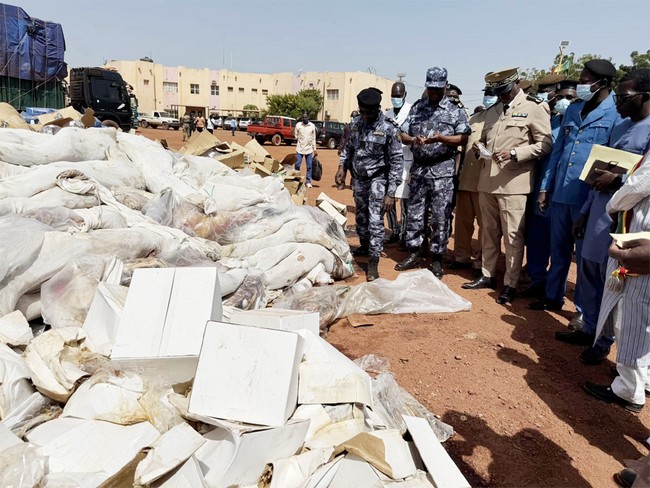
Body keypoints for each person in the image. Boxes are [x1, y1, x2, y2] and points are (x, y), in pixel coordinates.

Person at [560, 68, 650, 365]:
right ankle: (590, 328)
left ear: (645, 97)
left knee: (615, 281)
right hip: (598, 209)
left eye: (624, 97)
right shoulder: (621, 126)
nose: (619, 103)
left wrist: (618, 182)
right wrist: (585, 211)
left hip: (628, 218)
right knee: (588, 272)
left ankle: (607, 342)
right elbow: (600, 168)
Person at [532, 59, 621, 314]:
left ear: (601, 83)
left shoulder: (616, 113)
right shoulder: (573, 109)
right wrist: (545, 188)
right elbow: (559, 152)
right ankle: (552, 297)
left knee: (584, 259)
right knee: (557, 251)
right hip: (561, 192)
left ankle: (582, 311)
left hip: (588, 198)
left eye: (584, 81)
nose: (581, 85)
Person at [462, 67, 552, 304]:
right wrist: (478, 148)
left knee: (513, 237)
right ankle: (487, 275)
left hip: (514, 184)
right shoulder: (493, 111)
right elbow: (482, 140)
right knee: (488, 233)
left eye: (503, 91)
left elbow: (545, 145)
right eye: (497, 92)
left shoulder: (534, 107)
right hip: (487, 182)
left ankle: (510, 283)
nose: (501, 96)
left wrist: (515, 153)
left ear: (515, 85)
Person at [582, 149, 650, 413]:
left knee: (634, 316)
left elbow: (638, 184)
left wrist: (612, 205)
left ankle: (627, 388)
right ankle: (641, 379)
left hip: (642, 245)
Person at [394, 67, 471, 279]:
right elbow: (402, 134)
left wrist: (443, 139)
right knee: (415, 214)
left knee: (440, 216)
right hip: (420, 169)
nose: (434, 92)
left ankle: (437, 258)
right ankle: (414, 252)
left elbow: (464, 138)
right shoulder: (418, 108)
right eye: (431, 88)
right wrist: (414, 140)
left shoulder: (455, 110)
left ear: (445, 87)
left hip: (442, 170)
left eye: (438, 89)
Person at [337, 88, 404, 281]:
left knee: (375, 220)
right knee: (361, 216)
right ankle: (365, 246)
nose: (365, 116)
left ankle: (374, 260)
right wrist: (342, 167)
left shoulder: (389, 128)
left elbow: (397, 161)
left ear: (377, 108)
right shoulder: (356, 123)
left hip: (378, 179)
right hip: (359, 179)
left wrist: (390, 193)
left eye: (369, 112)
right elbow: (348, 148)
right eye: (362, 111)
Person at [520, 76, 576, 300]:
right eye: (560, 97)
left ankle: (554, 291)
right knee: (536, 240)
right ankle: (536, 281)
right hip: (540, 191)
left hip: (565, 192)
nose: (564, 102)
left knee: (560, 246)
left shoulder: (577, 125)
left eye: (570, 98)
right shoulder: (548, 122)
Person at [448, 83, 496, 275]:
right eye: (487, 94)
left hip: (486, 182)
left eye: (492, 94)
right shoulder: (474, 119)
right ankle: (461, 256)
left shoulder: (501, 119)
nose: (488, 97)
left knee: (486, 226)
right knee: (462, 223)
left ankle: (482, 261)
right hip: (466, 180)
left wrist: (483, 152)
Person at [384, 82, 413, 248]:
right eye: (393, 96)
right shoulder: (386, 114)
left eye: (398, 95)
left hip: (407, 161)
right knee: (390, 199)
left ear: (405, 94)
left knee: (405, 202)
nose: (396, 99)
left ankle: (404, 234)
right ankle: (394, 230)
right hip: (390, 163)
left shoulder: (411, 111)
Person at [294, 111, 318, 188]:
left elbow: (314, 138)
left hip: (309, 149)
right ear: (301, 118)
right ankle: (297, 179)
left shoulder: (312, 126)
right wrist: (297, 138)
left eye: (306, 117)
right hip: (300, 148)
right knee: (297, 164)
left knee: (309, 166)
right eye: (303, 117)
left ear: (308, 118)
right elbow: (295, 134)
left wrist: (315, 149)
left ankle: (308, 181)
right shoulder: (298, 125)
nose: (304, 118)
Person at [336, 110, 359, 190]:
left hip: (355, 150)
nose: (353, 118)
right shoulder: (347, 127)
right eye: (352, 117)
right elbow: (343, 138)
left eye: (355, 117)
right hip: (346, 149)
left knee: (354, 168)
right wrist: (340, 148)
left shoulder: (359, 127)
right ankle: (341, 182)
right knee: (343, 167)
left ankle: (353, 183)